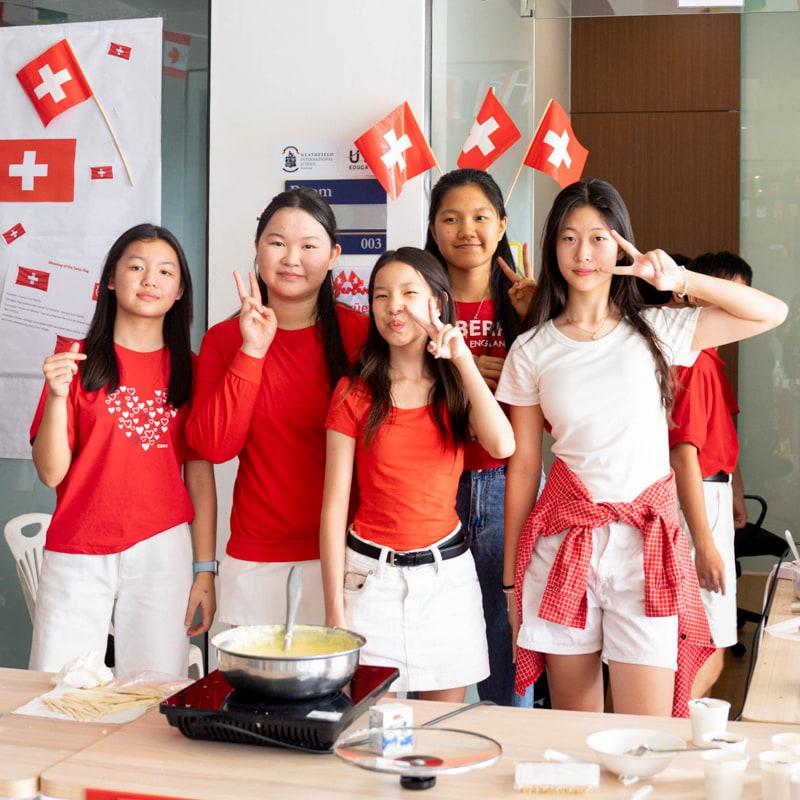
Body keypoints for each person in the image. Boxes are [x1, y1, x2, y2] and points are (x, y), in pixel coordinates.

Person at [497, 179, 787, 716]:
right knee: (571, 733)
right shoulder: (531, 348)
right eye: (568, 238)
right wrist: (514, 582)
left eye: (599, 238)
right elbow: (523, 469)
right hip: (564, 546)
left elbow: (771, 312)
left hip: (646, 547)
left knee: (646, 735)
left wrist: (680, 278)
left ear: (622, 245)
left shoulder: (659, 329)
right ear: (552, 247)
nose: (584, 253)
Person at [320, 247, 515, 702]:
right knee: (372, 740)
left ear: (438, 304)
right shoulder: (353, 391)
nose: (394, 307)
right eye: (381, 296)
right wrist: (335, 609)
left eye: (410, 293)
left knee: (439, 744)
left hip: (445, 582)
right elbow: (333, 509)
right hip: (368, 582)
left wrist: (461, 357)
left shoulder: (454, 386)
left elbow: (502, 445)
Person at [29, 224, 217, 677]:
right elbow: (51, 474)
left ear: (179, 291)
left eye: (165, 271)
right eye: (136, 267)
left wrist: (205, 571)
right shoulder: (73, 362)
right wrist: (57, 396)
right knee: (58, 687)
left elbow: (199, 475)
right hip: (78, 546)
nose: (150, 279)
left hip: (163, 548)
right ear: (111, 280)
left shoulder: (189, 371)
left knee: (156, 690)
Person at [186, 188, 368, 627]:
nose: (292, 258)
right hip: (255, 560)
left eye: (309, 246)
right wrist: (252, 351)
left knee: (341, 694)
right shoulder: (225, 340)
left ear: (333, 256)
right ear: (256, 249)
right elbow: (212, 447)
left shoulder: (361, 336)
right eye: (277, 243)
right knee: (252, 694)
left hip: (350, 558)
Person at [425, 167, 536, 706]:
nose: (466, 229)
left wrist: (529, 334)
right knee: (428, 615)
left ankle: (510, 735)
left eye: (480, 217)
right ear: (432, 228)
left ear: (502, 227)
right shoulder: (419, 302)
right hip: (431, 481)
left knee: (504, 619)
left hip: (503, 480)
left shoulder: (529, 304)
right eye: (450, 218)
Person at [668, 251, 753, 697]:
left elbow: (722, 437)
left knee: (702, 640)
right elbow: (683, 453)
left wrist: (736, 492)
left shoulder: (711, 361)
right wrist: (704, 542)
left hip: (713, 493)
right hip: (695, 499)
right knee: (705, 643)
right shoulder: (695, 360)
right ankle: (670, 730)